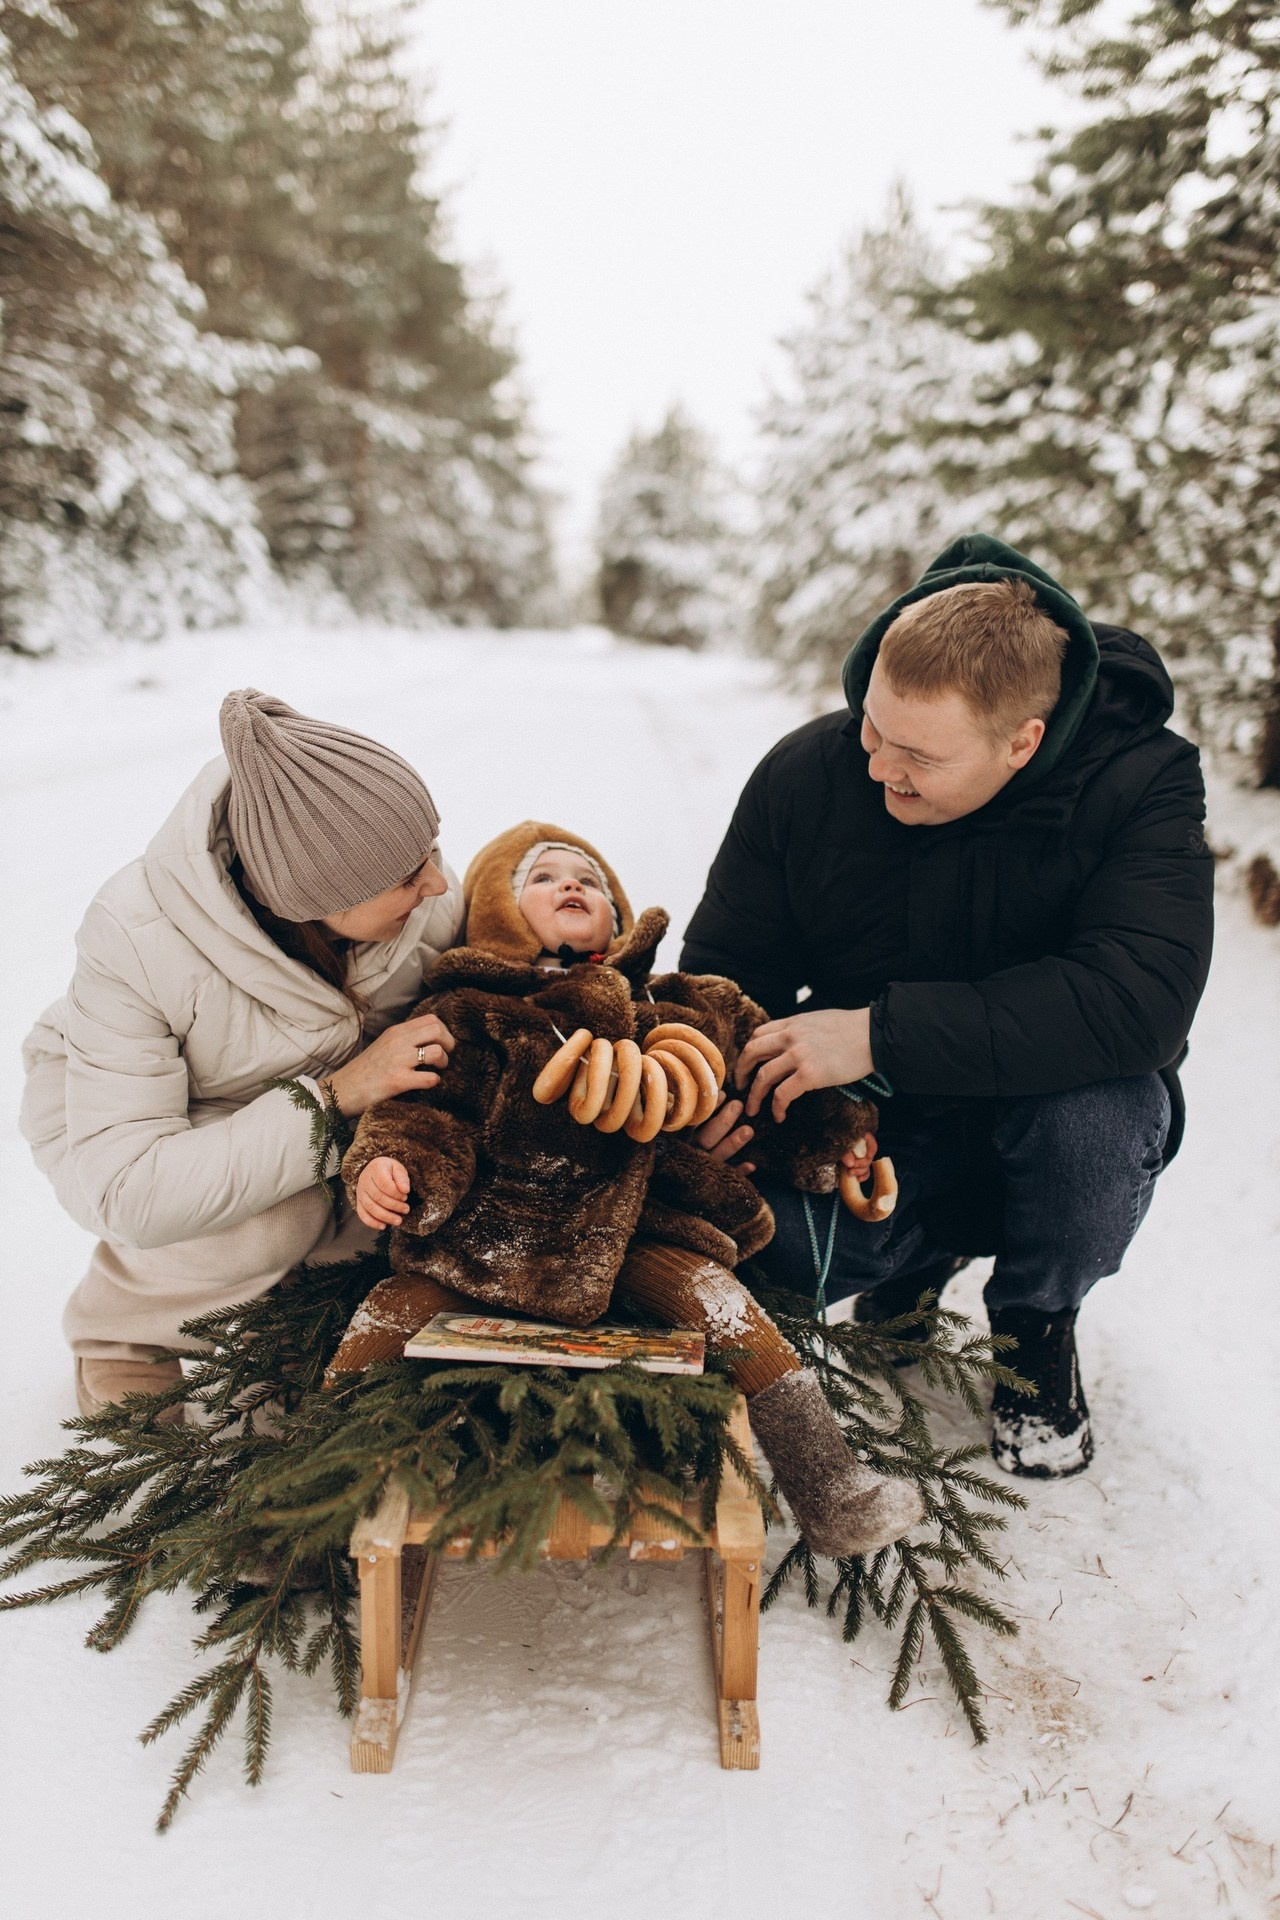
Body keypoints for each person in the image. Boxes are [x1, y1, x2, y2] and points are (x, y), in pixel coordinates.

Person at [683, 533, 1215, 1478]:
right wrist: (724, 1094)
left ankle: (1034, 1326)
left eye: (918, 756)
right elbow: (728, 970)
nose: (878, 767)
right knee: (755, 1253)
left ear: (1022, 741)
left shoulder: (1139, 782)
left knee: (1101, 1120)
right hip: (867, 1122)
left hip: (1045, 1107)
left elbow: (1138, 999)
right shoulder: (807, 773)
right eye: (872, 729)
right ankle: (907, 1267)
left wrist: (878, 1034)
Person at [323, 820, 923, 1558]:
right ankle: (301, 1515)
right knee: (386, 1313)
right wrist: (390, 1169)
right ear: (497, 912)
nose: (572, 885)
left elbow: (769, 1073)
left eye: (591, 879)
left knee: (725, 1306)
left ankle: (832, 1489)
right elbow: (422, 1114)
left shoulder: (680, 1009)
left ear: (618, 915)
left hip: (641, 1232)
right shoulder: (471, 1015)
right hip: (485, 1239)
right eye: (542, 878)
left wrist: (837, 1132)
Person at [20, 690, 464, 1419]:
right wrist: (339, 1095)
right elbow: (128, 1188)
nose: (439, 883)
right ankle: (128, 1329)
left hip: (318, 1105)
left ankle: (285, 1317)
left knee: (402, 1198)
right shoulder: (137, 938)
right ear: (319, 898)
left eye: (432, 851)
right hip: (137, 1128)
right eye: (409, 876)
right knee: (275, 1216)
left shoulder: (415, 898)